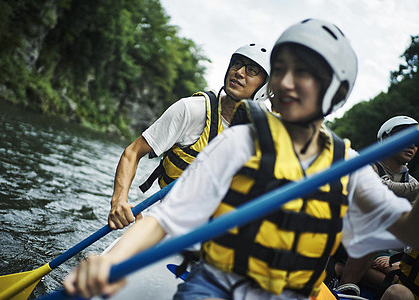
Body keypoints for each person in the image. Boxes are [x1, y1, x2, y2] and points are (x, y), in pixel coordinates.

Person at [63, 18, 419, 299]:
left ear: (336, 92)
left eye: (305, 73)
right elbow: (163, 218)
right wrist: (110, 263)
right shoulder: (238, 141)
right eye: (283, 70)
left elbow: (407, 229)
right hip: (217, 286)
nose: (289, 82)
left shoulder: (348, 165)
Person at [108, 43, 271, 230]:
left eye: (251, 70)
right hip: (170, 219)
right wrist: (119, 200)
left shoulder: (266, 135)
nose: (239, 72)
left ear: (265, 87)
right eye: (236, 64)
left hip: (221, 231)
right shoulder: (191, 109)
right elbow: (133, 152)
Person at [333, 116, 419, 297]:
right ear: (386, 138)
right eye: (405, 138)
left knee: (403, 279)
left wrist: (395, 260)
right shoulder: (365, 164)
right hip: (346, 234)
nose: (412, 146)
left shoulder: (412, 183)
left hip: (382, 248)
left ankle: (341, 271)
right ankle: (345, 285)